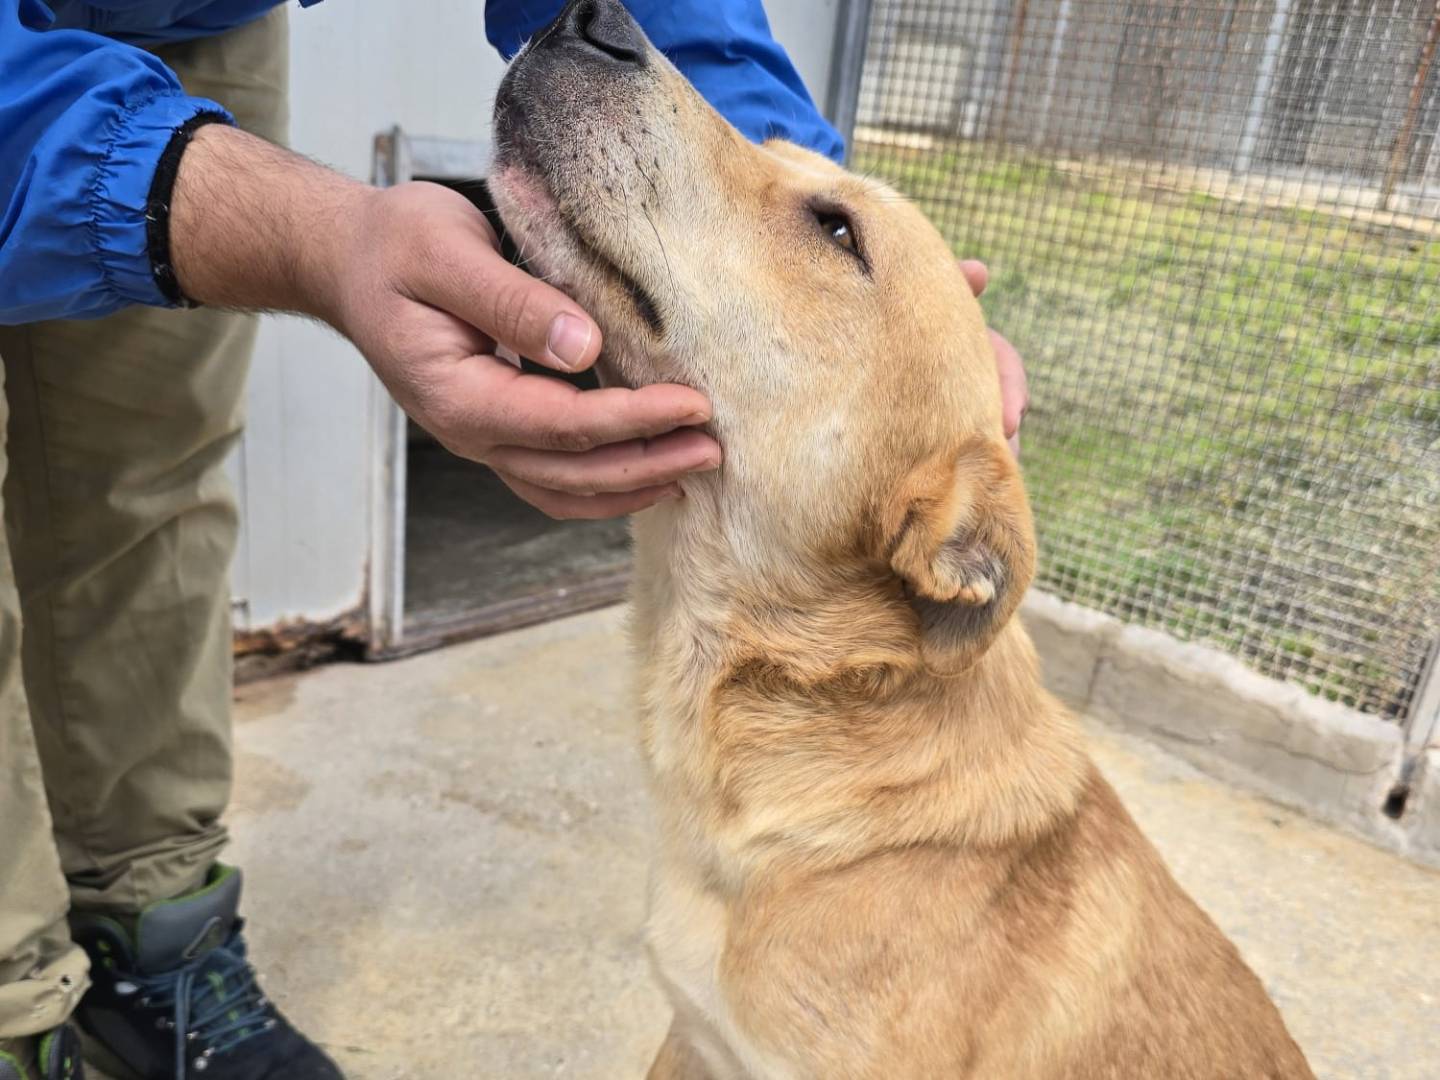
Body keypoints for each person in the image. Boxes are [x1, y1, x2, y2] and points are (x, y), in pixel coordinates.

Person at [0, 1, 1029, 1077]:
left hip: (189, 17)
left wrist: (922, 344)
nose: (603, 25)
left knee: (148, 483)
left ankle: (152, 927)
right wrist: (315, 236)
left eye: (831, 234)